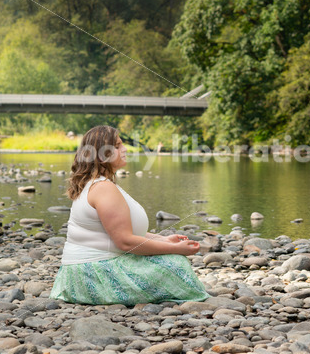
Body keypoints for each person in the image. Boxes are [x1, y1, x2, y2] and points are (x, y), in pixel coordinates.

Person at [50, 125, 209, 305]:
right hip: (91, 275)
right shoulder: (103, 188)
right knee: (177, 264)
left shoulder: (98, 184)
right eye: (117, 146)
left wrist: (163, 240)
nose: (124, 149)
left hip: (82, 273)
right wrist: (176, 249)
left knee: (172, 261)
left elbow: (119, 231)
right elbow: (124, 241)